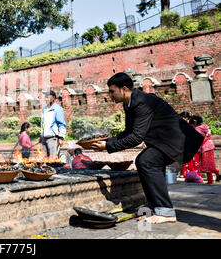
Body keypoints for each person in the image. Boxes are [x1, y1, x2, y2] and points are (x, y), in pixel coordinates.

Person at [91, 73, 204, 225]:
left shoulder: (141, 102)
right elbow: (129, 131)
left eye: (112, 91)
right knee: (146, 161)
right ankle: (155, 205)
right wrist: (107, 142)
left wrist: (108, 146)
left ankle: (165, 211)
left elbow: (136, 137)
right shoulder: (129, 103)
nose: (110, 95)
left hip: (177, 140)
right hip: (163, 141)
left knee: (147, 161)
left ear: (124, 89)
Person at [191, 116, 220, 185]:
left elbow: (200, 139)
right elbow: (208, 135)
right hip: (210, 145)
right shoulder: (205, 126)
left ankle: (210, 180)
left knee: (206, 164)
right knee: (210, 163)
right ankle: (216, 173)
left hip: (205, 147)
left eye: (192, 123)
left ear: (195, 122)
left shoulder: (197, 129)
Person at [40, 90, 67, 158]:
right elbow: (43, 123)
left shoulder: (57, 109)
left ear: (54, 98)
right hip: (44, 138)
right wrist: (41, 135)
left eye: (48, 96)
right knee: (44, 160)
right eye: (46, 97)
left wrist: (61, 138)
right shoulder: (44, 109)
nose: (47, 98)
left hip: (53, 138)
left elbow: (61, 124)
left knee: (53, 159)